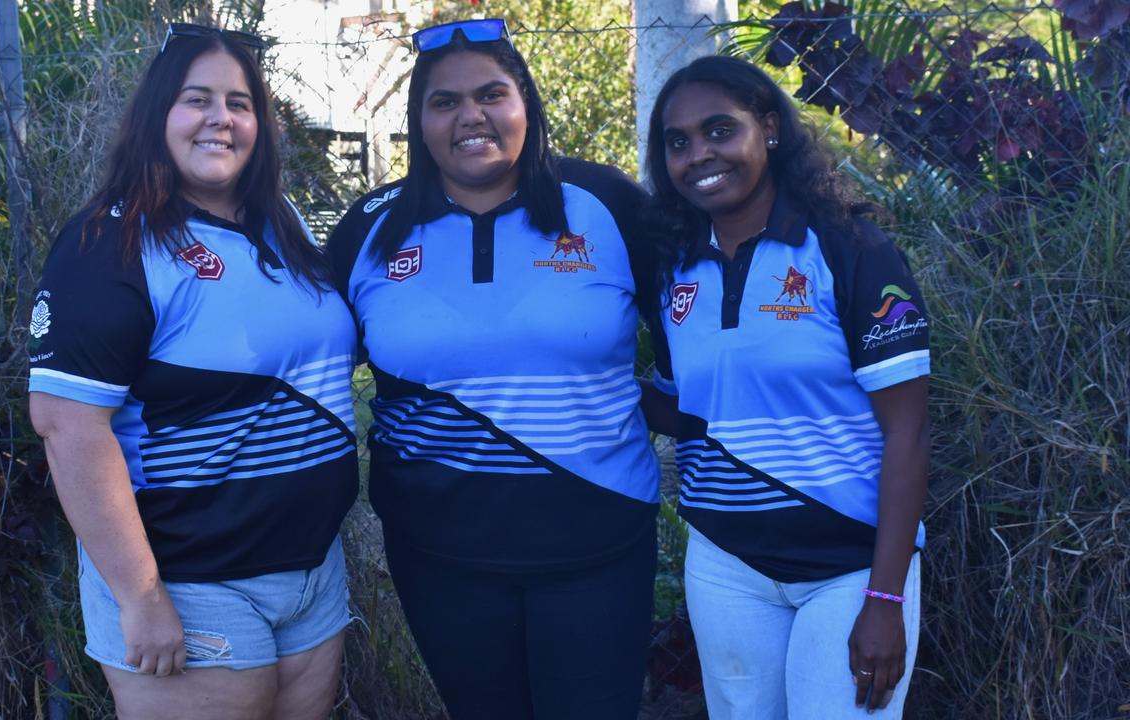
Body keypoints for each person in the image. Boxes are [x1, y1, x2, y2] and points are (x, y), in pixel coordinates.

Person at [327, 19, 661, 720]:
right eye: (444, 102)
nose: (470, 116)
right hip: (437, 552)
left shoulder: (609, 206)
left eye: (491, 94)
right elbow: (309, 366)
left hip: (599, 542)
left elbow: (698, 332)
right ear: (419, 121)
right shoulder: (371, 228)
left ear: (526, 104)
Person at [27, 24, 357, 720]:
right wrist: (141, 597)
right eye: (196, 99)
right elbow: (66, 427)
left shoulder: (283, 222)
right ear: (157, 116)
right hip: (189, 578)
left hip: (310, 573)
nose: (221, 119)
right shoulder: (109, 242)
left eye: (240, 103)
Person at [641, 55, 931, 719]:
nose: (698, 155)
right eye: (678, 142)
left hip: (850, 565)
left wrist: (885, 599)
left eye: (720, 130)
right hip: (727, 560)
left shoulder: (850, 249)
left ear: (768, 127)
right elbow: (689, 409)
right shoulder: (673, 270)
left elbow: (908, 433)